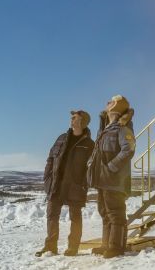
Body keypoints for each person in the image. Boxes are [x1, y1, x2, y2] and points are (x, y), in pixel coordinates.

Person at [35, 109, 95, 257]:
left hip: (75, 186)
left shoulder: (89, 144)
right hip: (57, 184)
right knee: (51, 215)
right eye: (72, 117)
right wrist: (47, 178)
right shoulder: (61, 138)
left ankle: (73, 247)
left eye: (74, 117)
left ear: (82, 121)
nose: (71, 119)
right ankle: (50, 247)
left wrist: (84, 183)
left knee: (75, 217)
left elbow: (91, 166)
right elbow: (50, 158)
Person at [87, 94, 135, 259]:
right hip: (103, 179)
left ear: (118, 106)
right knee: (104, 212)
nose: (107, 103)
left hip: (114, 179)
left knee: (115, 213)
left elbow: (128, 149)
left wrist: (111, 167)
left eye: (111, 101)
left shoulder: (123, 128)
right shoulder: (106, 129)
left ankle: (116, 247)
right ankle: (106, 244)